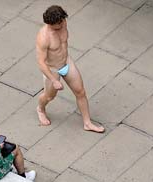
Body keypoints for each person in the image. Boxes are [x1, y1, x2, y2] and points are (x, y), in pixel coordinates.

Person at [36, 5, 105, 133]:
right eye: (59, 24)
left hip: (66, 62)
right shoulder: (44, 37)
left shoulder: (62, 21)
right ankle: (40, 108)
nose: (62, 25)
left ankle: (87, 123)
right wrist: (54, 80)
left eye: (63, 21)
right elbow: (41, 63)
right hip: (53, 69)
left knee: (80, 92)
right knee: (49, 96)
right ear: (50, 24)